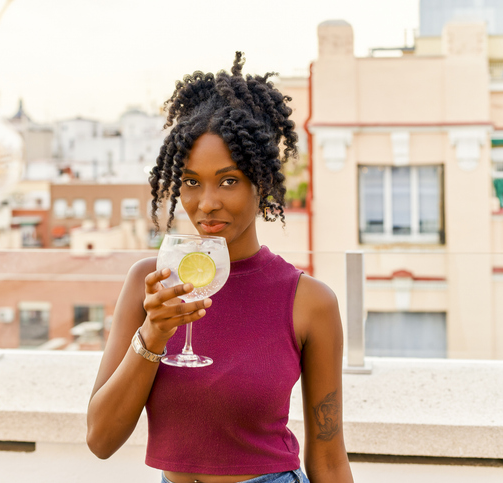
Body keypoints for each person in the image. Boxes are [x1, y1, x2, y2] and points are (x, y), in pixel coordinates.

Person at [87, 53, 354, 483]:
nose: (206, 203)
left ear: (261, 183)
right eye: (191, 181)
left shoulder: (309, 302)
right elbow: (101, 439)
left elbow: (328, 459)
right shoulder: (149, 283)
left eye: (228, 180)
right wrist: (155, 332)